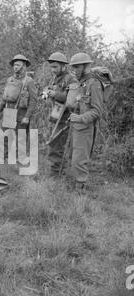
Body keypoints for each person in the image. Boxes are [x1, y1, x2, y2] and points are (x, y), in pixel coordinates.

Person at [68, 52, 103, 194]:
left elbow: (97, 111)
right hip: (76, 126)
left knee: (79, 159)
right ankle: (76, 186)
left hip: (86, 128)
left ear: (86, 66)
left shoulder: (94, 84)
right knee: (73, 157)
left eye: (77, 67)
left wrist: (80, 118)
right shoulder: (81, 83)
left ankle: (80, 191)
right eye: (74, 67)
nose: (74, 70)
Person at [0, 54, 37, 166]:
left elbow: (33, 101)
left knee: (20, 139)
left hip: (21, 114)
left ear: (24, 66)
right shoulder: (10, 80)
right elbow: (4, 98)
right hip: (9, 111)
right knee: (5, 137)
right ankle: (3, 158)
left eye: (18, 65)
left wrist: (27, 116)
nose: (15, 67)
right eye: (14, 65)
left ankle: (19, 160)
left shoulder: (29, 81)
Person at [45, 52, 77, 177]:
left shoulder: (71, 79)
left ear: (64, 66)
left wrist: (54, 95)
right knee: (54, 144)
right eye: (51, 67)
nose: (53, 70)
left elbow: (71, 100)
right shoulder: (55, 78)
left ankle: (57, 175)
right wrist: (47, 92)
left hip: (66, 119)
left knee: (57, 145)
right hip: (55, 115)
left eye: (55, 67)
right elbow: (51, 91)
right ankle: (56, 172)